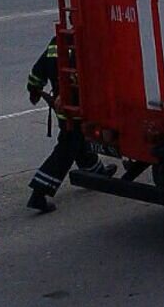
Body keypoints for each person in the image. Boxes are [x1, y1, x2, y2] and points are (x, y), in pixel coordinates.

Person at [25, 36, 116, 213]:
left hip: (64, 110)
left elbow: (38, 70)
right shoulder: (85, 45)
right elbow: (83, 76)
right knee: (68, 147)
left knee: (77, 140)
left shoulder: (56, 41)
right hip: (77, 108)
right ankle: (40, 191)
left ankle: (95, 171)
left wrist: (33, 89)